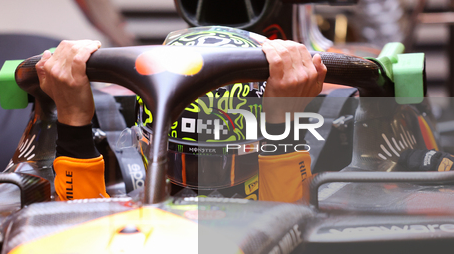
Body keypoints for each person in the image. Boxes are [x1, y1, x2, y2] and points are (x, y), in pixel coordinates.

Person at [36, 38, 327, 202]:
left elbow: (291, 237)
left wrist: (283, 122)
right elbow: (80, 239)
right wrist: (73, 118)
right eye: (185, 163)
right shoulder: (127, 200)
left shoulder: (285, 199)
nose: (198, 190)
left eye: (216, 164)